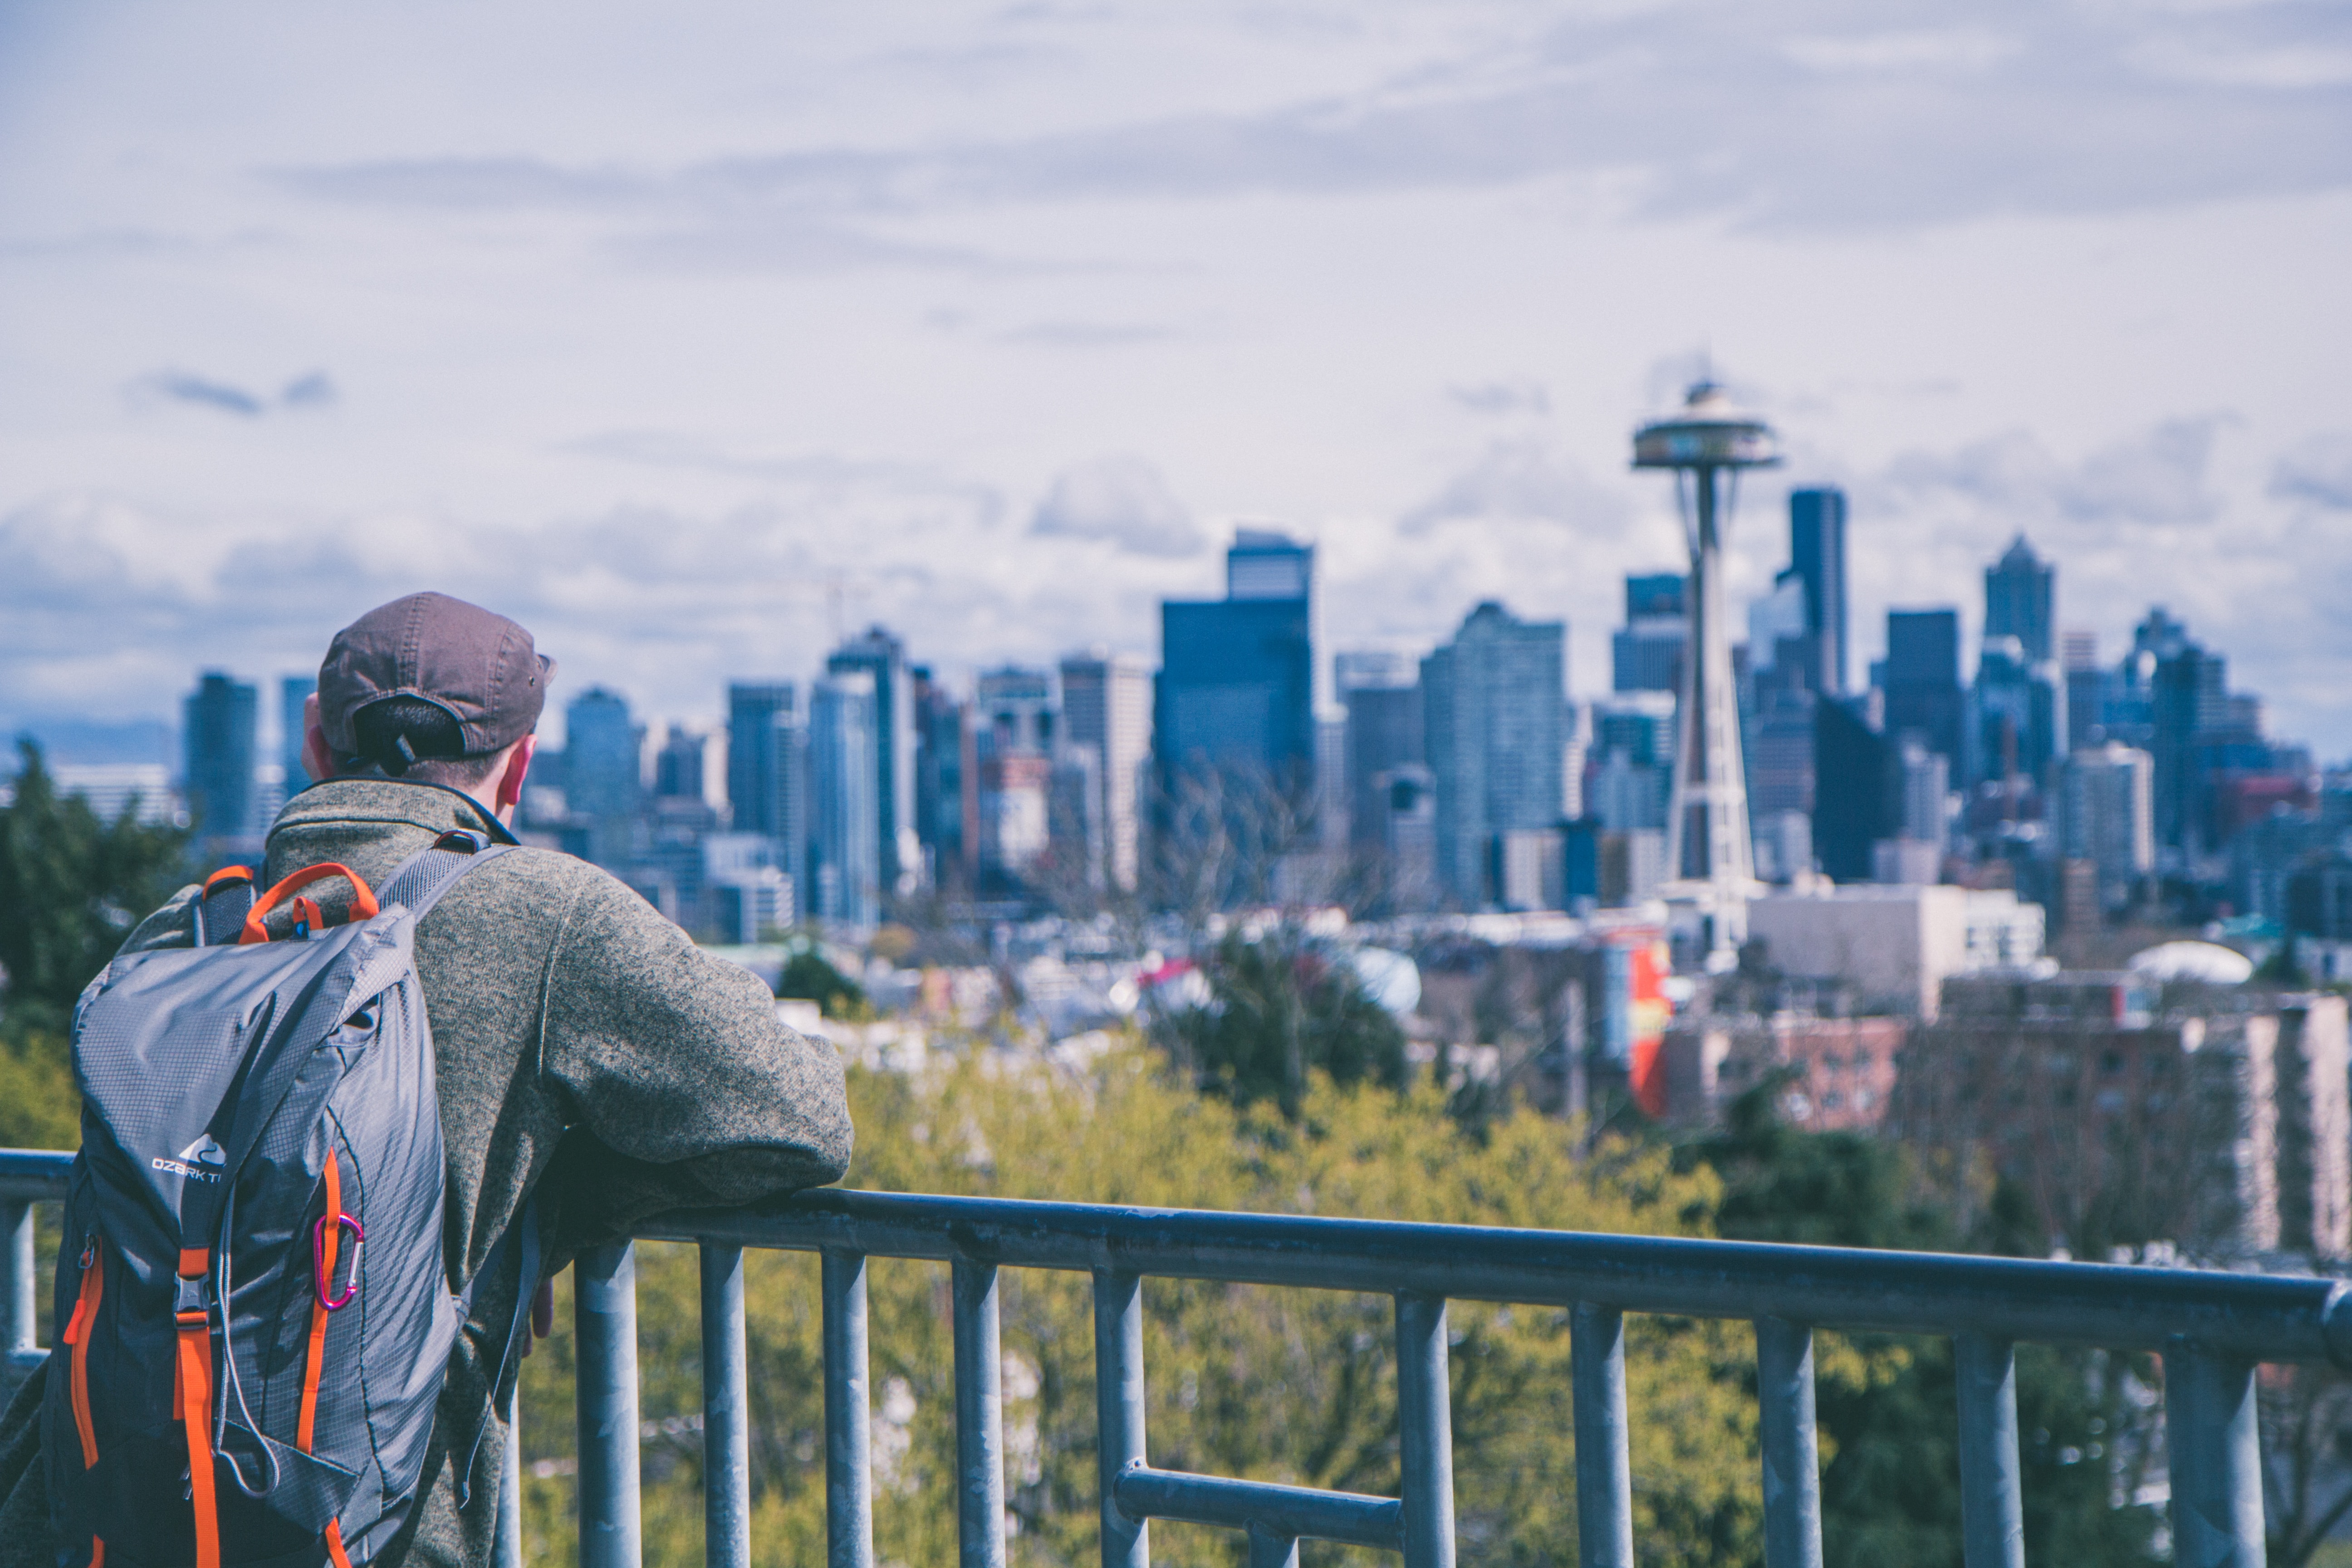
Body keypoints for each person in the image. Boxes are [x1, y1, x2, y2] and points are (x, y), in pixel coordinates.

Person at [0, 591, 854, 1568]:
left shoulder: (180, 938)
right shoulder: (546, 916)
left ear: (318, 745)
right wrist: (554, 1199)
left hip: (93, 1518)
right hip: (365, 1534)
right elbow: (803, 1118)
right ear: (519, 767)